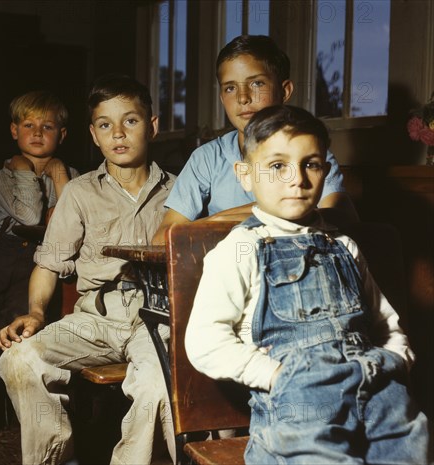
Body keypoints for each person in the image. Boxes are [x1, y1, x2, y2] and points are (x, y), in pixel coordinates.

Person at [185, 105, 431, 464]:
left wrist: (396, 359)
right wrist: (275, 375)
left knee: (412, 451)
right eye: (277, 165)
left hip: (379, 391)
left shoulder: (343, 245)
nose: (296, 179)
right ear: (245, 174)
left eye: (310, 164)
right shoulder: (241, 249)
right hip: (301, 405)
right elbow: (205, 341)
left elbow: (384, 320)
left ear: (325, 171)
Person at [0, 74, 177, 465]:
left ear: (153, 126)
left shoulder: (180, 192)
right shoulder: (79, 193)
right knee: (18, 358)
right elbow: (48, 265)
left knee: (156, 387)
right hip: (96, 318)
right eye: (105, 124)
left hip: (156, 319)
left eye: (130, 121)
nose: (118, 134)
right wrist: (36, 313)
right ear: (93, 135)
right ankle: (56, 458)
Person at [152, 35, 357, 245]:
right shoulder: (207, 158)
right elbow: (162, 238)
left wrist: (228, 218)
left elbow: (341, 218)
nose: (243, 98)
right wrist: (220, 220)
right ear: (222, 98)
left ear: (284, 91)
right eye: (230, 88)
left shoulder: (307, 154)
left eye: (257, 83)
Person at [0, 90, 78, 439]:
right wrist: (27, 171)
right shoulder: (3, 175)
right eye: (29, 125)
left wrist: (58, 175)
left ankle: (28, 422)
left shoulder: (71, 174)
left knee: (20, 340)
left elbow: (71, 220)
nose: (38, 132)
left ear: (62, 134)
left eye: (48, 125)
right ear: (14, 131)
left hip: (37, 267)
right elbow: (29, 214)